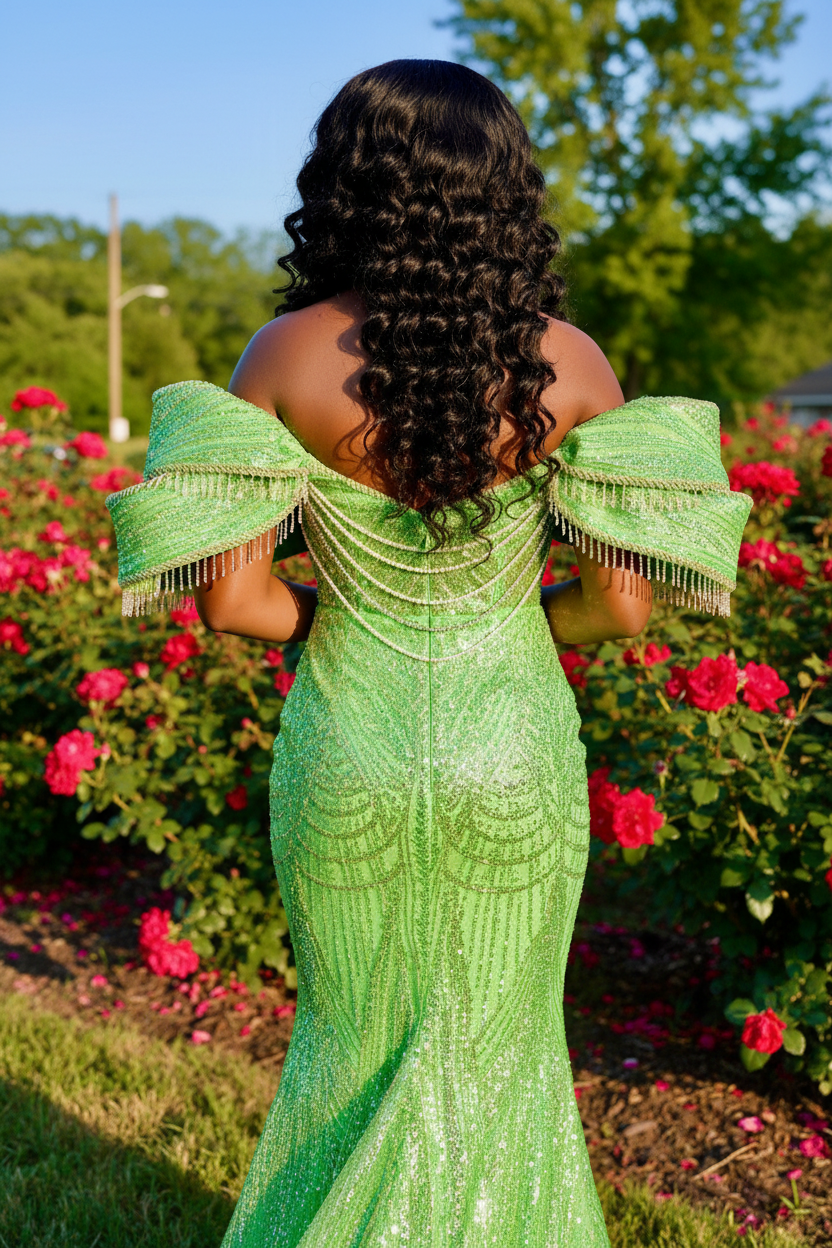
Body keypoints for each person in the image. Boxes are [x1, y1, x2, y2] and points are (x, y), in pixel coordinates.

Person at [107, 59, 751, 1247]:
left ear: (344, 183)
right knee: (501, 1054)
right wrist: (506, 623)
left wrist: (349, 617)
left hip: (350, 748)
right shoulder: (576, 365)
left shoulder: (282, 357)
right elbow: (621, 613)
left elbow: (237, 606)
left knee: (345, 1052)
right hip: (513, 753)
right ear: (506, 193)